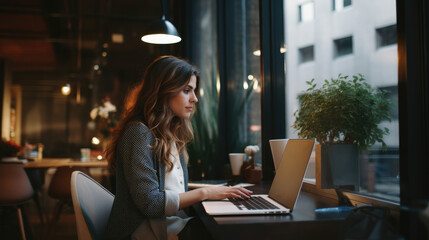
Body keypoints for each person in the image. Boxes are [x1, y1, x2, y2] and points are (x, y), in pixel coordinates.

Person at [103, 56, 252, 240]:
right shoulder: (137, 133)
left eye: (194, 91)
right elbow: (150, 203)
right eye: (187, 90)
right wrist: (205, 193)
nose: (195, 98)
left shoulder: (169, 135)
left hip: (171, 225)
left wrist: (216, 192)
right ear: (164, 90)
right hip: (148, 233)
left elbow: (173, 189)